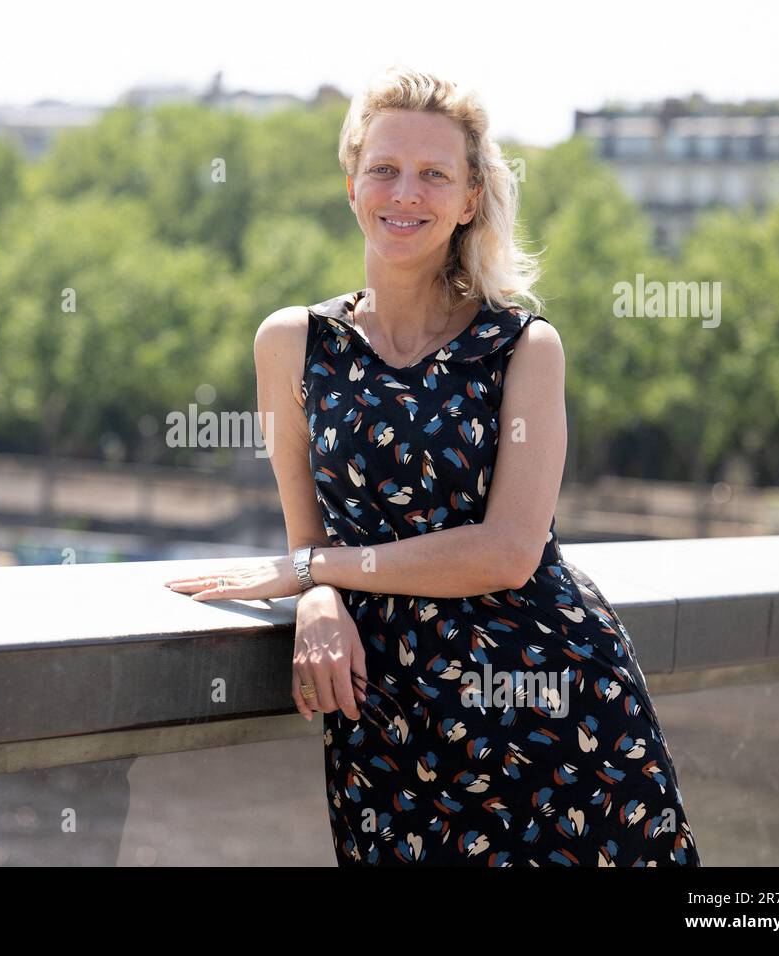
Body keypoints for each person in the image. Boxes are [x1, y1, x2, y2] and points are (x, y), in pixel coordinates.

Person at [164, 66, 700, 866]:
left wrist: (312, 569)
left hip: (551, 715)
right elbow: (306, 535)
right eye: (383, 169)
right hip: (390, 723)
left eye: (433, 174)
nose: (403, 193)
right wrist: (314, 599)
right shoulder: (290, 343)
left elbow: (510, 552)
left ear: (470, 198)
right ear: (352, 186)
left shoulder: (524, 346)